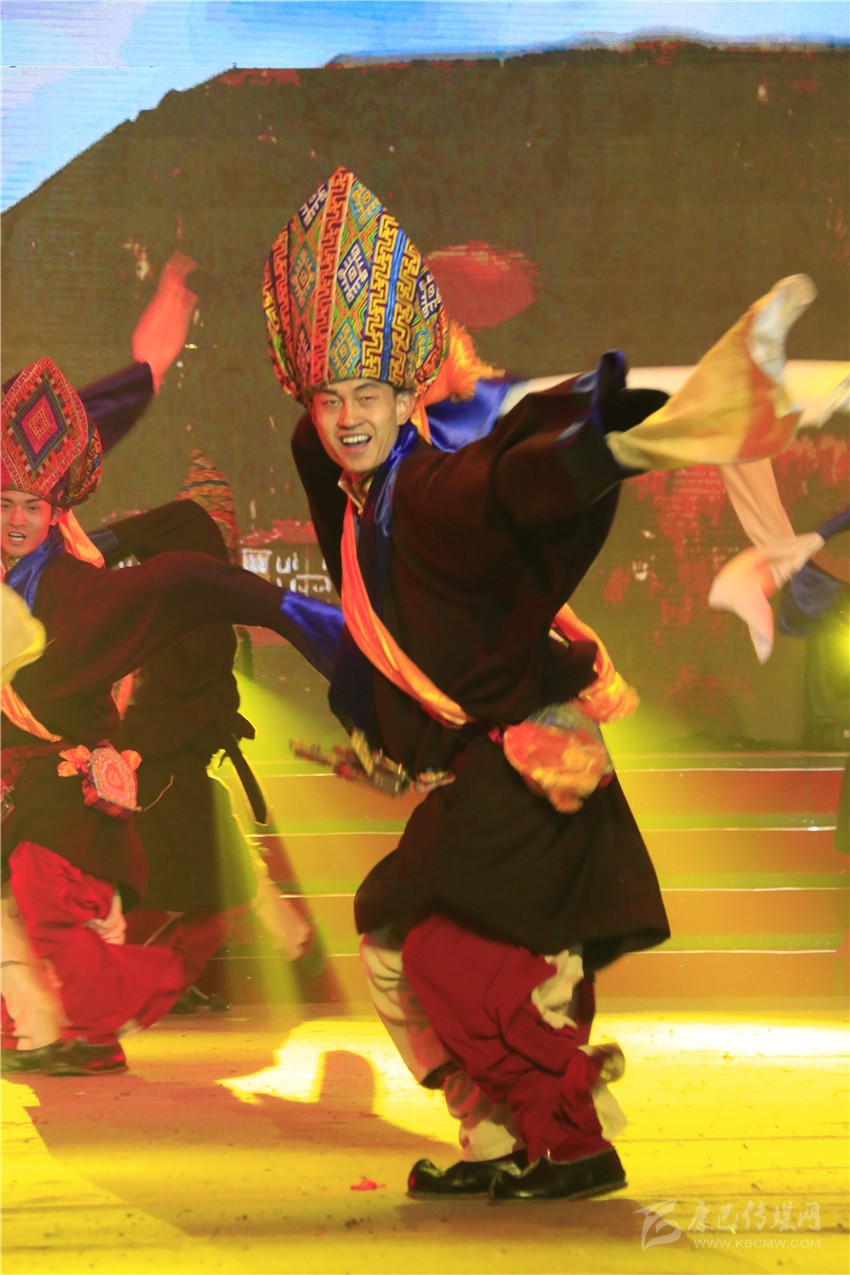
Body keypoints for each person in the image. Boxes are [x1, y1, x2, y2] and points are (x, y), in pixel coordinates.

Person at [262, 166, 818, 1199]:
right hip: (484, 777)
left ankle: (572, 1138)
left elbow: (513, 481)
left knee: (469, 963)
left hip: (531, 774)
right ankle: (493, 1137)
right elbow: (323, 466)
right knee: (392, 943)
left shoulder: (434, 488)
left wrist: (635, 440)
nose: (345, 417)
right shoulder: (359, 501)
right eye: (329, 397)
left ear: (406, 398)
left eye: (367, 395)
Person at [0, 356, 334, 1076]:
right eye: (6, 504)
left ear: (55, 513)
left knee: (67, 902)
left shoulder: (80, 588)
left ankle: (109, 1012)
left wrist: (125, 749)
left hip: (101, 778)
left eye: (32, 505)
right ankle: (48, 1027)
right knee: (46, 907)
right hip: (68, 780)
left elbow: (177, 600)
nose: (17, 519)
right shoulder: (30, 576)